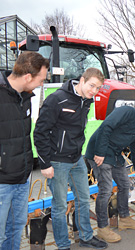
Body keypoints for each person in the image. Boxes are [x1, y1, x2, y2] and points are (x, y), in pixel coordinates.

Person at [34, 68, 107, 250]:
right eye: (92, 85)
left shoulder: (86, 101)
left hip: (76, 159)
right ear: (81, 80)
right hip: (57, 161)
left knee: (83, 199)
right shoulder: (57, 99)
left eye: (98, 88)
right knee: (59, 206)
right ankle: (63, 245)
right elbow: (40, 132)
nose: (94, 91)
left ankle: (86, 237)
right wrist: (45, 163)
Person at [85, 101, 135, 243]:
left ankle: (125, 219)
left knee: (125, 185)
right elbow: (106, 127)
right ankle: (102, 228)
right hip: (99, 151)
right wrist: (100, 153)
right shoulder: (126, 112)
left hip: (114, 153)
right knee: (106, 189)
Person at [0, 51, 49, 250]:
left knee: (16, 227)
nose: (42, 84)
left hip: (22, 178)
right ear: (28, 76)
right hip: (2, 181)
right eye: (41, 79)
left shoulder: (26, 97)